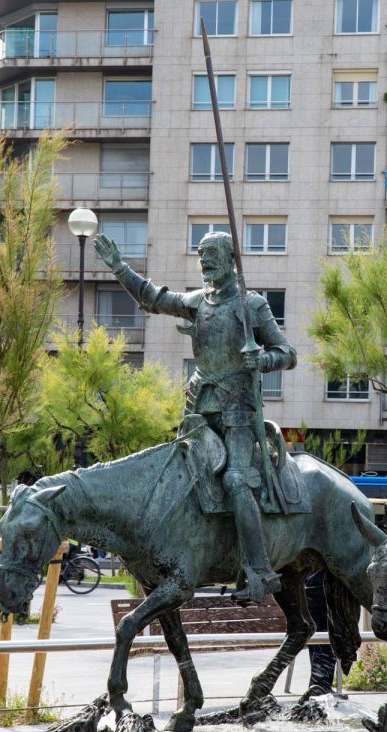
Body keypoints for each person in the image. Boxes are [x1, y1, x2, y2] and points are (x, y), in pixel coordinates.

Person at [95, 230, 297, 605]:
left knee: (236, 480)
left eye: (212, 255)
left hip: (238, 408)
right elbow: (153, 298)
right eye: (201, 255)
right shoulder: (197, 302)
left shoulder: (252, 305)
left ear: (230, 258)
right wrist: (120, 267)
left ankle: (259, 572)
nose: (205, 262)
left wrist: (264, 359)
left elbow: (287, 352)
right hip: (198, 407)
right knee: (177, 477)